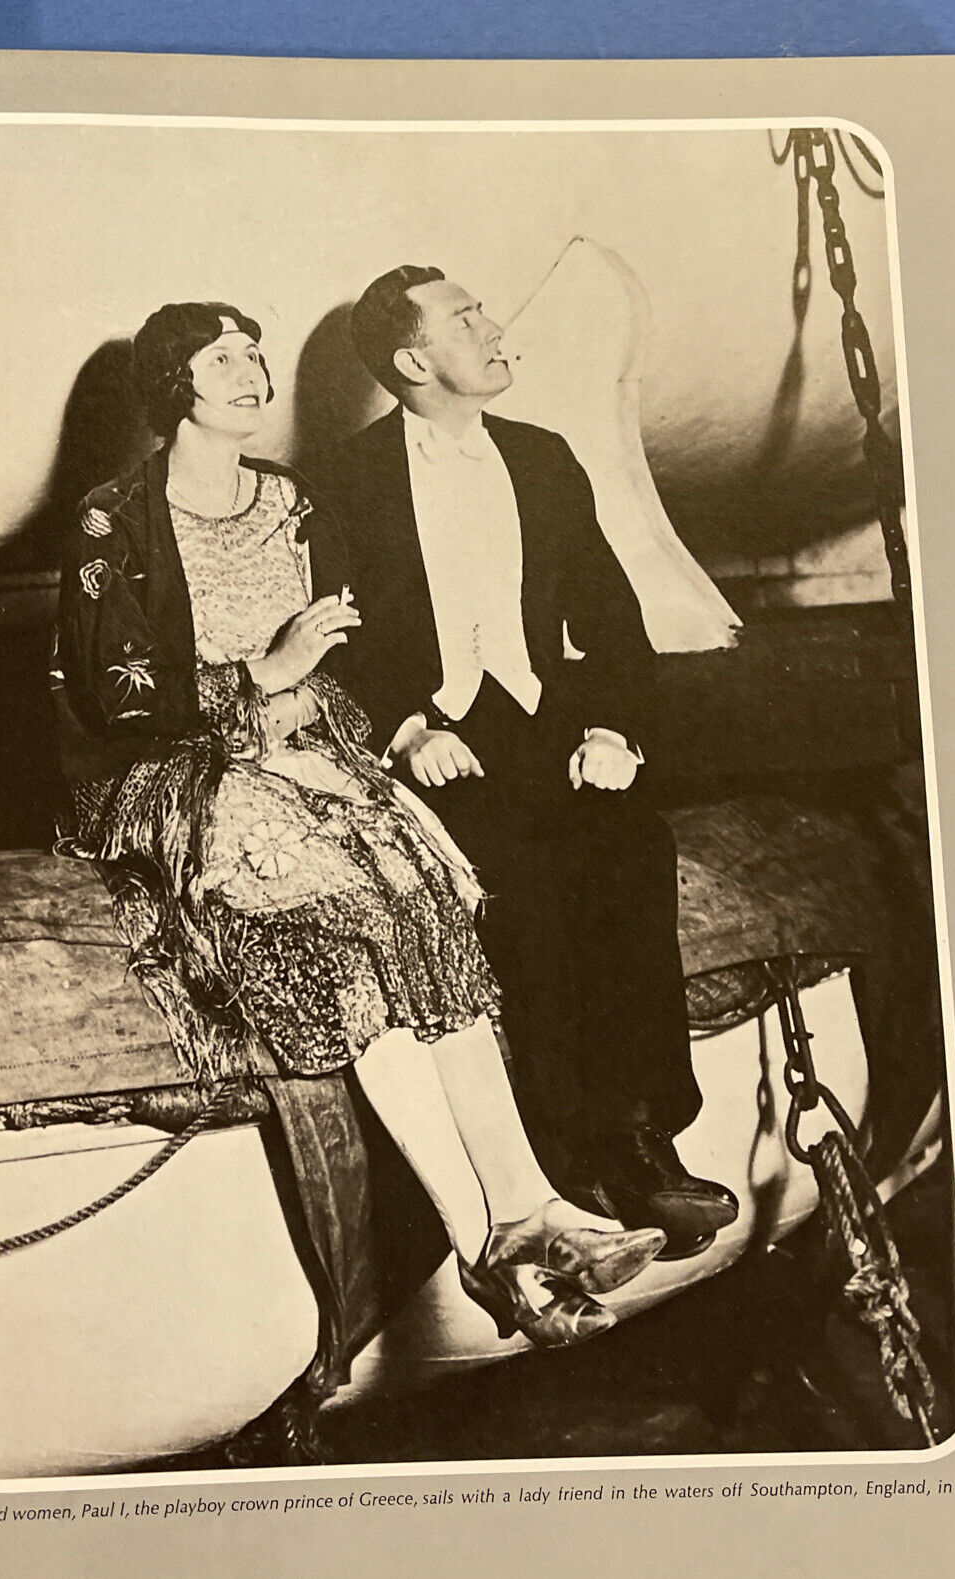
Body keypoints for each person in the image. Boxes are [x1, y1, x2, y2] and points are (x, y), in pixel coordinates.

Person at [50, 300, 671, 1353]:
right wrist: (264, 675)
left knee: (428, 909)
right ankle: (481, 1237)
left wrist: (337, 706)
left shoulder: (292, 498)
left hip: (316, 752)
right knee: (350, 939)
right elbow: (120, 693)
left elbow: (357, 647)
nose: (252, 372)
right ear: (172, 385)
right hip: (183, 770)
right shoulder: (113, 517)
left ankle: (535, 1208)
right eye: (223, 358)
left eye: (254, 354)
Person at [310, 266, 739, 1251]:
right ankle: (567, 1157)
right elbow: (337, 636)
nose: (495, 327)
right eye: (466, 320)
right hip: (432, 741)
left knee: (632, 844)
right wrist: (407, 730)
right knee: (523, 879)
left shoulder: (543, 457)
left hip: (547, 725)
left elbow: (611, 615)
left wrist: (611, 731)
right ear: (413, 360)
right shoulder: (343, 479)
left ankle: (643, 1139)